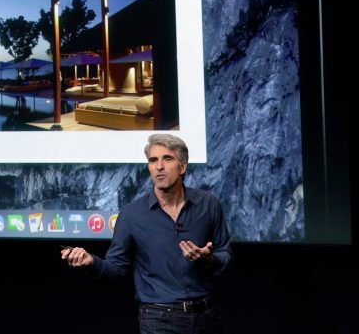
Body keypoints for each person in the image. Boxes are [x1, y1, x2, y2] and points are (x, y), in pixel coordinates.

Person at [61, 134, 232, 334]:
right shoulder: (132, 214)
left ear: (182, 167)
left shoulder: (208, 204)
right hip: (159, 319)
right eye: (153, 160)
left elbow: (226, 255)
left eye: (167, 159)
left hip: (207, 316)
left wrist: (209, 259)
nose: (159, 166)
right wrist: (91, 262)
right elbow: (116, 268)